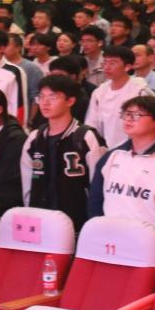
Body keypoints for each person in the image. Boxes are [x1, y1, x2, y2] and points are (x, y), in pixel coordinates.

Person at [88, 95, 155, 241]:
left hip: (150, 244)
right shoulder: (112, 156)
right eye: (126, 114)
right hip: (108, 239)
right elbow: (96, 201)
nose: (129, 119)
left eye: (137, 115)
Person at [20, 75, 104, 227]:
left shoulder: (86, 136)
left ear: (70, 101)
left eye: (53, 97)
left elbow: (97, 184)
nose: (45, 102)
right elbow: (27, 184)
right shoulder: (34, 138)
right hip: (41, 219)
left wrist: (93, 220)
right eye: (41, 97)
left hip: (77, 221)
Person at [86, 46, 154, 149]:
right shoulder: (99, 92)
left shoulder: (140, 90)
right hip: (106, 149)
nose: (107, 67)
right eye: (105, 62)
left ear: (127, 67)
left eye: (112, 63)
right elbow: (92, 124)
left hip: (135, 148)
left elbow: (148, 123)